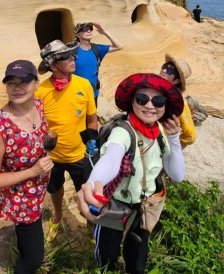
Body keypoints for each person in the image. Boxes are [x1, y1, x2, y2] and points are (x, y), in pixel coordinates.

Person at [76, 73, 185, 274]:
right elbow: (112, 157)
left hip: (143, 207)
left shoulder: (158, 130)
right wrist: (92, 184)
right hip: (113, 204)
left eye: (158, 100)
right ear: (132, 102)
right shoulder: (123, 131)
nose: (150, 105)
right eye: (142, 99)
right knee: (106, 258)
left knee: (137, 259)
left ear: (165, 106)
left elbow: (177, 175)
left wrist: (175, 138)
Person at [0, 60, 54, 274]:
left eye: (24, 81)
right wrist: (33, 171)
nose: (17, 87)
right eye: (11, 82)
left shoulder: (38, 106)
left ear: (36, 83)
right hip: (21, 201)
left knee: (26, 242)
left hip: (36, 193)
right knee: (34, 260)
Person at [35, 40, 99, 242]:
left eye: (73, 54)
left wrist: (92, 144)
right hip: (51, 156)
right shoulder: (40, 91)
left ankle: (90, 224)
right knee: (54, 188)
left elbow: (91, 119)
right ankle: (58, 214)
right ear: (53, 66)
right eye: (66, 57)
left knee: (85, 190)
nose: (74, 58)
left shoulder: (84, 84)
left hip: (80, 154)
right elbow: (35, 125)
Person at [73, 22, 124, 102]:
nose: (89, 31)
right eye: (85, 29)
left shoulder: (97, 49)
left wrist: (104, 32)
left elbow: (119, 46)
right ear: (78, 35)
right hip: (76, 95)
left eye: (90, 29)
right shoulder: (72, 51)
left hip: (94, 94)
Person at [159, 55, 197, 146]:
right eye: (165, 66)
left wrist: (170, 144)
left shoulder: (178, 102)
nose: (164, 70)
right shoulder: (154, 89)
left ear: (176, 81)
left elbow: (190, 136)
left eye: (170, 70)